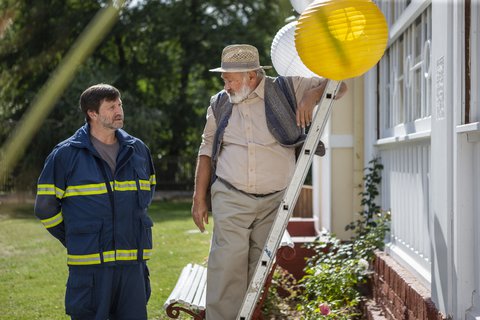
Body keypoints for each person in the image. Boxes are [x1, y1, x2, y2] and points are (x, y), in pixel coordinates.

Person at [191, 44, 347, 320]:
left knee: (256, 272)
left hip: (275, 199)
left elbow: (340, 85)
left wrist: (312, 94)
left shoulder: (287, 88)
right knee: (226, 267)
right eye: (224, 79)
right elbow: (206, 149)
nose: (225, 85)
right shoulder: (220, 103)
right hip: (231, 194)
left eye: (229, 79)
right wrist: (199, 198)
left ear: (251, 77)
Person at [34, 84, 156, 320]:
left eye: (119, 104)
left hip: (132, 266)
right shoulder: (65, 155)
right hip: (91, 268)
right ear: (92, 113)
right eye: (111, 107)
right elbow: (45, 207)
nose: (119, 110)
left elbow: (147, 193)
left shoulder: (138, 150)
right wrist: (75, 237)